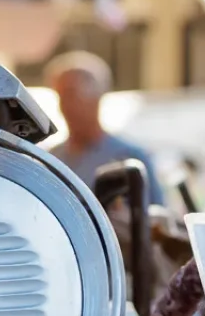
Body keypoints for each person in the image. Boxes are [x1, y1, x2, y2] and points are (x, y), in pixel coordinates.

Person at [45, 52, 164, 205]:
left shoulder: (130, 157)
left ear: (95, 99)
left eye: (71, 95)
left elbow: (156, 218)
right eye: (60, 97)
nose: (65, 106)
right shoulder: (53, 158)